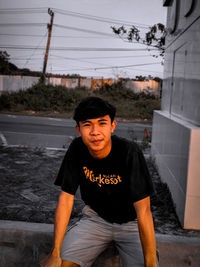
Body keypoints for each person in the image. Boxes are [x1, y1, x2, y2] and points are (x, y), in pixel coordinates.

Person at [41, 96, 158, 267]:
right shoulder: (77, 149)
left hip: (132, 224)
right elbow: (66, 199)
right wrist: (55, 252)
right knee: (62, 264)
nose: (95, 132)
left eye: (102, 123)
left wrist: (150, 263)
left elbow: (144, 211)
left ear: (112, 126)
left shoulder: (128, 152)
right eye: (87, 125)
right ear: (78, 129)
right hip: (95, 218)